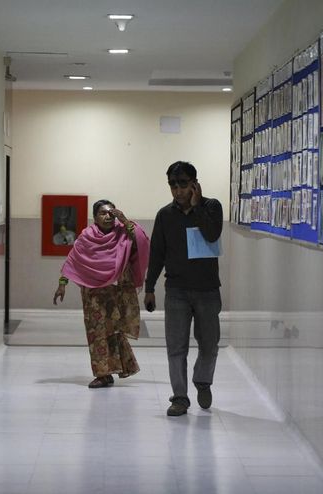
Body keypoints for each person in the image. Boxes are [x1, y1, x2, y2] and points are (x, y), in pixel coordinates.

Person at [144, 161, 223, 416]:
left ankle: (202, 381)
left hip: (207, 290)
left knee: (209, 344)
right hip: (176, 290)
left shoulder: (212, 207)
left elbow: (212, 235)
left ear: (194, 184)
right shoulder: (165, 215)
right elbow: (157, 253)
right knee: (176, 346)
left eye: (183, 184)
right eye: (172, 185)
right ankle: (179, 397)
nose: (177, 191)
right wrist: (149, 287)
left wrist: (197, 205)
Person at [53, 199, 150, 388]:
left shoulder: (122, 233)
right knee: (97, 332)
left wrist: (124, 219)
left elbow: (142, 240)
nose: (107, 216)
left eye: (111, 213)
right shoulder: (86, 237)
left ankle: (122, 367)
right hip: (93, 293)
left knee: (114, 331)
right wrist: (62, 284)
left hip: (117, 291)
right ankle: (102, 374)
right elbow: (72, 260)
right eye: (103, 213)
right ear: (94, 217)